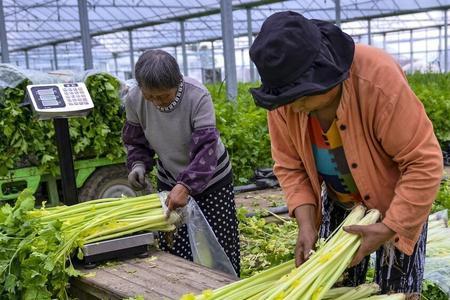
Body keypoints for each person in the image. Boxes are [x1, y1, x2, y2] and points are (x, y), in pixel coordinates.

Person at [249, 11, 443, 298]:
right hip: (339, 201)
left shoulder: (377, 78)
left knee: (395, 292)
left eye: (302, 97)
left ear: (325, 73)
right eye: (287, 99)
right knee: (334, 285)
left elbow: (423, 163)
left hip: (397, 201)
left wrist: (390, 226)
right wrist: (305, 223)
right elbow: (290, 167)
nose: (294, 107)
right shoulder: (284, 99)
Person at [122, 49, 240, 275]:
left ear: (177, 83)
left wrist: (185, 186)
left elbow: (206, 150)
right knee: (176, 243)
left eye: (163, 96)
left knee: (219, 243)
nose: (156, 102)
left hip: (211, 177)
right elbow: (135, 140)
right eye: (150, 96)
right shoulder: (134, 98)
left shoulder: (197, 96)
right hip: (170, 177)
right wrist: (137, 165)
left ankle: (224, 287)